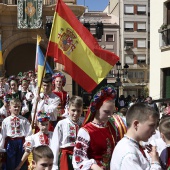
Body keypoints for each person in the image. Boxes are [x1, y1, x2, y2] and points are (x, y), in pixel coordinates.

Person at [72, 85, 119, 170]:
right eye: (106, 112)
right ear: (97, 108)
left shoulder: (112, 128)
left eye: (112, 112)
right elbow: (78, 158)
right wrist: (93, 166)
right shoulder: (86, 131)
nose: (110, 116)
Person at [110, 103, 161, 170]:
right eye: (151, 125)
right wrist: (155, 162)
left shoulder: (131, 146)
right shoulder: (129, 154)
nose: (154, 131)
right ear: (136, 124)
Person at [51, 95, 83, 170]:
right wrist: (54, 164)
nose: (76, 113)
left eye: (78, 111)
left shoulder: (83, 125)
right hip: (66, 156)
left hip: (79, 157)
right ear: (68, 109)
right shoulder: (62, 124)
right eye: (73, 110)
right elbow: (55, 144)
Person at [0, 98, 32, 170]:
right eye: (15, 106)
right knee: (10, 163)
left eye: (19, 107)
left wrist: (28, 144)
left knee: (21, 163)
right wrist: (1, 148)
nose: (17, 108)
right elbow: (3, 135)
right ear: (10, 108)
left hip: (21, 143)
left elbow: (29, 134)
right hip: (10, 144)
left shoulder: (24, 120)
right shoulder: (6, 121)